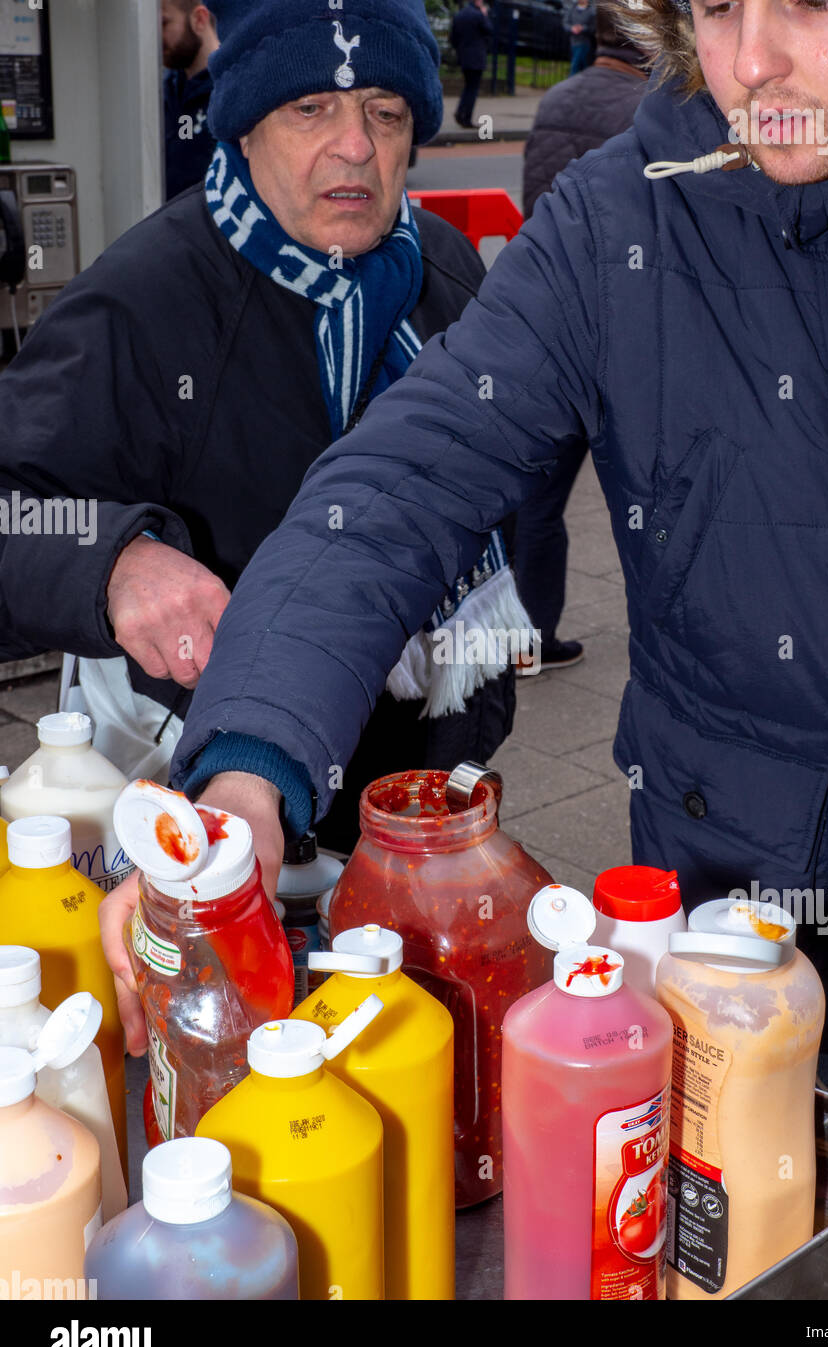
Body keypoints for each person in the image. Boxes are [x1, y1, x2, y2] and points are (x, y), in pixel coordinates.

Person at [103, 0, 828, 1281]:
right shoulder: (622, 220)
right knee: (737, 1244)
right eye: (717, 7)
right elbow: (395, 493)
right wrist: (242, 776)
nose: (752, 64)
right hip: (736, 901)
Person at [0, 0, 524, 852]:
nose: (354, 145)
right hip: (199, 789)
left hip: (416, 788)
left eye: (384, 113)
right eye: (308, 108)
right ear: (243, 130)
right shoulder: (140, 302)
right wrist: (113, 563)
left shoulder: (449, 271)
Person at [512, 0, 651, 674]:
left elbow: (534, 200)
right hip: (626, 332)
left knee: (540, 498)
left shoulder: (556, 97)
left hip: (552, 323)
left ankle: (529, 635)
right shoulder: (650, 110)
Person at [162, 0, 220, 201]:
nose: (157, 37)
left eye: (164, 24)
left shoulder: (229, 87)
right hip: (168, 223)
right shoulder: (166, 88)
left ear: (199, 20)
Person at [450, 0, 493, 129]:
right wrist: (485, 15)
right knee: (472, 89)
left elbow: (453, 38)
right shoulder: (478, 15)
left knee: (468, 87)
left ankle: (460, 112)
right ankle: (465, 117)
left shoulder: (459, 15)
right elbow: (490, 30)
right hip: (477, 57)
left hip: (464, 57)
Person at [563, 0, 597, 77]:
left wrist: (582, 28)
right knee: (581, 65)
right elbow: (566, 23)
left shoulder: (591, 11)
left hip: (585, 42)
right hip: (574, 41)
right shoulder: (572, 9)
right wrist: (572, 28)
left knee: (576, 65)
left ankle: (571, 81)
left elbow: (593, 27)